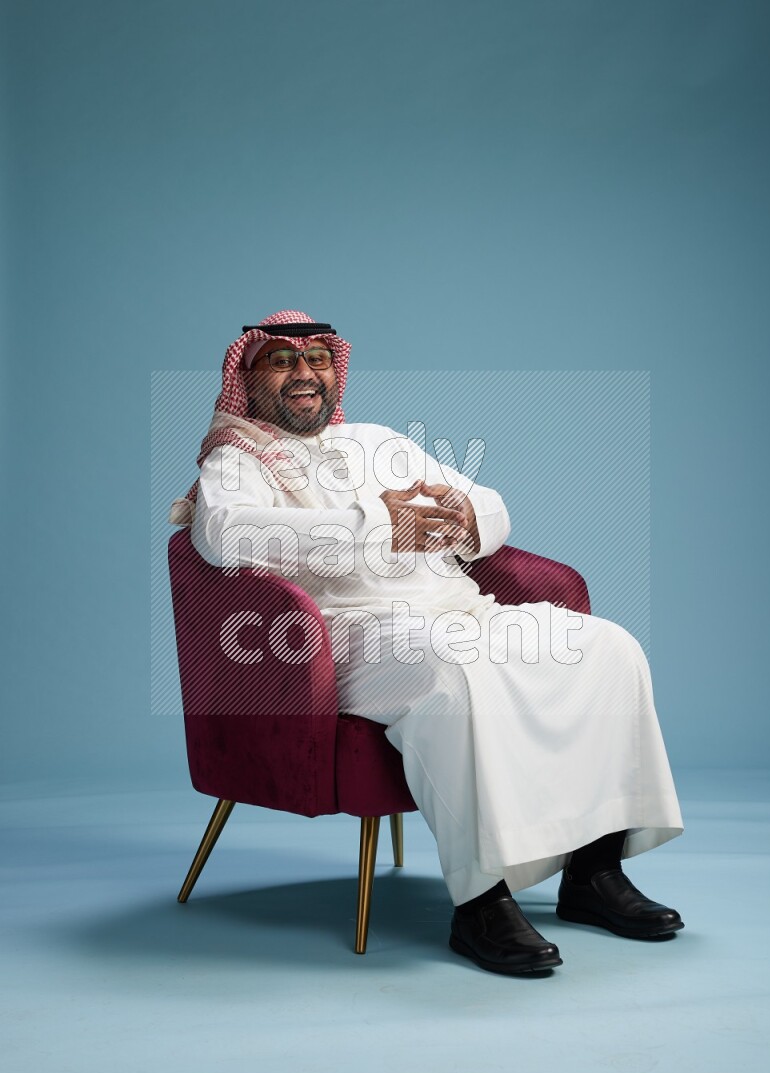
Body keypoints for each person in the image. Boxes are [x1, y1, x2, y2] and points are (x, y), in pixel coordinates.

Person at [170, 309, 685, 976]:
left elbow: (490, 506)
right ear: (249, 374)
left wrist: (468, 520)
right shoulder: (234, 459)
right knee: (452, 672)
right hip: (345, 636)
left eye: (318, 360)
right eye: (283, 362)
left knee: (607, 648)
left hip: (457, 606)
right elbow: (223, 537)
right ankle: (481, 904)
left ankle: (593, 873)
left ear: (335, 371)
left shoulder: (378, 441)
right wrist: (375, 525)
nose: (305, 374)